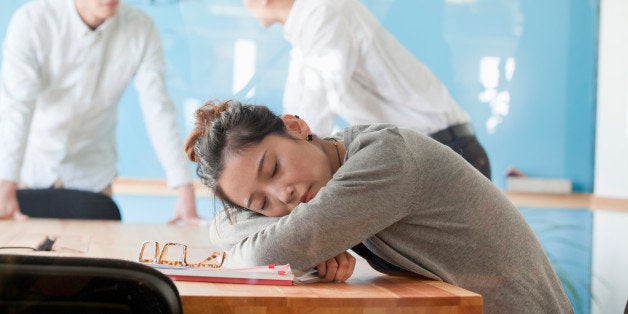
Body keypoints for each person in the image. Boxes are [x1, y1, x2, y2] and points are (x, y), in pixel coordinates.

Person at [184, 99, 573, 313]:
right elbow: (221, 226)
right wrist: (316, 239)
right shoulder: (335, 168)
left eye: (274, 168)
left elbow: (264, 256)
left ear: (295, 126)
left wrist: (303, 240)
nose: (282, 196)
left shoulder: (384, 160)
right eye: (260, 202)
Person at [0, 0, 202, 224]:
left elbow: (159, 111)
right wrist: (5, 182)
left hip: (93, 178)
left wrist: (184, 188)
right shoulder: (32, 21)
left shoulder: (140, 28)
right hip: (29, 171)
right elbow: (17, 107)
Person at [241, 0, 491, 179]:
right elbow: (299, 117)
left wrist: (282, 165)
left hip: (445, 154)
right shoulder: (307, 23)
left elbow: (312, 117)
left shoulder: (324, 13)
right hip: (426, 154)